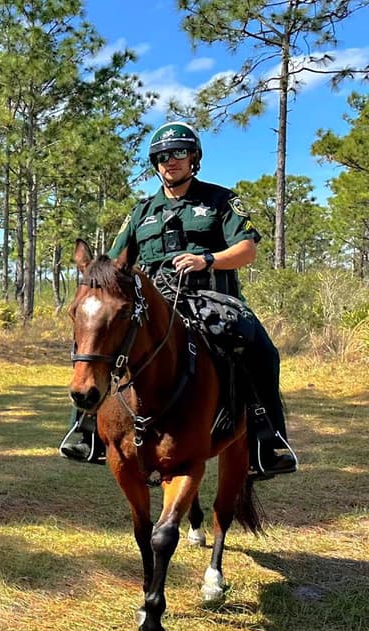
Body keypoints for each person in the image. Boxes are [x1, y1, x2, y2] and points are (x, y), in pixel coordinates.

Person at [59, 121, 298, 479]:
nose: (171, 161)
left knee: (262, 350)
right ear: (155, 163)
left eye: (179, 153)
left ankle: (268, 439)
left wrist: (208, 259)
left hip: (212, 296)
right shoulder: (141, 211)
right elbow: (112, 262)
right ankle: (87, 432)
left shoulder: (220, 200)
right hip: (155, 299)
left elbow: (247, 250)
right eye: (162, 156)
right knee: (99, 336)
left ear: (194, 158)